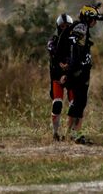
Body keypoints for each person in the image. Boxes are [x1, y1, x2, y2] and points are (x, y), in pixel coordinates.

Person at [63, 4, 103, 144]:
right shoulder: (81, 28)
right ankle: (71, 133)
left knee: (81, 102)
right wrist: (72, 71)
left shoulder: (82, 28)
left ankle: (74, 133)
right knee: (78, 103)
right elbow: (74, 50)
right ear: (88, 18)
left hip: (81, 71)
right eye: (94, 19)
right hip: (78, 72)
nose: (95, 22)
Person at [45, 13, 75, 141]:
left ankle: (69, 133)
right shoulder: (54, 40)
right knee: (57, 104)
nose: (65, 29)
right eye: (62, 26)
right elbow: (51, 49)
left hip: (72, 77)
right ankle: (55, 133)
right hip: (57, 76)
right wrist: (61, 63)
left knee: (74, 105)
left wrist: (68, 66)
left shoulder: (75, 42)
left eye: (67, 26)